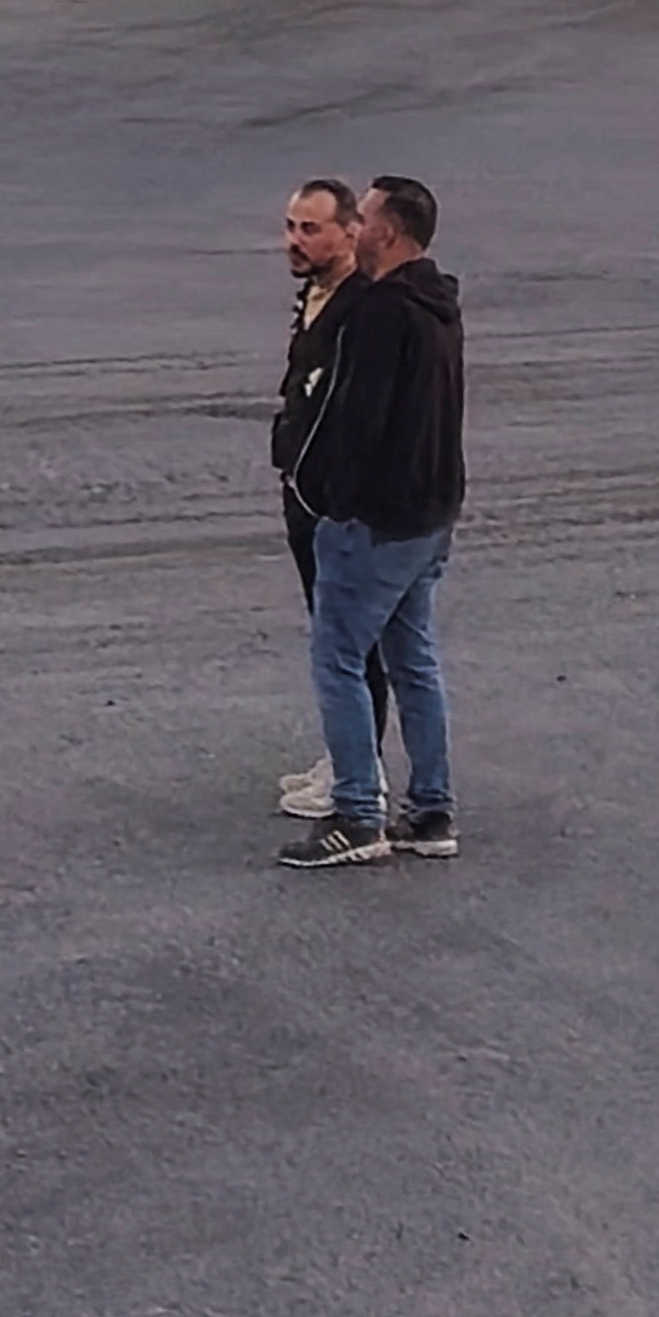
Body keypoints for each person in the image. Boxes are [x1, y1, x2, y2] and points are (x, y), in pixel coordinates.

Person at [276, 175, 467, 871]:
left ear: (385, 231)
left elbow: (353, 423)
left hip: (375, 523)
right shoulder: (438, 303)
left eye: (367, 216)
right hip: (430, 515)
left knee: (338, 659)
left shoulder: (382, 313)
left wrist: (324, 493)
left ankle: (358, 814)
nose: (357, 228)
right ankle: (431, 811)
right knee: (413, 660)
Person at [266, 178, 374, 823]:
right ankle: (345, 755)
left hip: (337, 501)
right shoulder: (314, 294)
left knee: (355, 641)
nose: (295, 241)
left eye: (310, 229)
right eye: (290, 227)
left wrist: (341, 493)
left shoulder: (362, 306)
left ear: (351, 231)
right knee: (329, 626)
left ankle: (356, 773)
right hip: (303, 491)